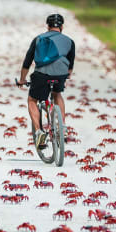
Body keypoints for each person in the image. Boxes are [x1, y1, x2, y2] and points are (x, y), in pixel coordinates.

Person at [18, 13, 75, 148]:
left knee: (32, 99)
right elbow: (70, 66)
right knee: (57, 94)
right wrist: (66, 76)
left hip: (42, 76)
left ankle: (38, 132)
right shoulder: (69, 41)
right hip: (60, 75)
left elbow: (27, 62)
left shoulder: (38, 39)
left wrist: (22, 79)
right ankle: (63, 127)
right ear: (62, 26)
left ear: (48, 26)